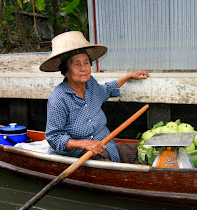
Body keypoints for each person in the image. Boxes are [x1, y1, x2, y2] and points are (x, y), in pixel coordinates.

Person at [40, 31, 150, 163]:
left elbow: (106, 90)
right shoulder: (59, 98)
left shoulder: (90, 84)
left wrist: (129, 77)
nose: (83, 68)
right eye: (77, 64)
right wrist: (84, 144)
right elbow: (54, 137)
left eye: (86, 63)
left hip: (106, 144)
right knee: (110, 168)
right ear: (65, 71)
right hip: (78, 155)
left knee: (144, 152)